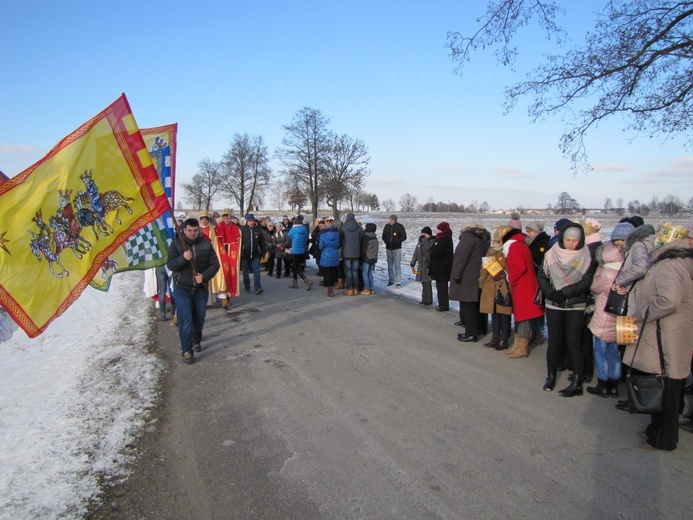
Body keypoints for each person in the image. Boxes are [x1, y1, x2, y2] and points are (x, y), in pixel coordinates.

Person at [624, 233, 693, 451]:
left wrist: (643, 314)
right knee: (672, 385)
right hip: (674, 333)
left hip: (665, 333)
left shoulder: (668, 266)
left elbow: (669, 300)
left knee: (666, 385)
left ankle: (663, 438)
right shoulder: (679, 263)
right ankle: (659, 433)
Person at [538, 222, 597, 395]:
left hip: (575, 304)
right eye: (568, 240)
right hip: (554, 303)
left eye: (574, 240)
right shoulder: (551, 254)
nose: (571, 244)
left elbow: (586, 282)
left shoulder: (586, 256)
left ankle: (577, 381)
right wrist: (550, 293)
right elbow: (542, 276)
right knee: (555, 342)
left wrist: (564, 293)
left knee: (573, 343)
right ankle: (551, 374)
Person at [586, 222, 634, 397]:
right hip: (621, 313)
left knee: (600, 348)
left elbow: (595, 287)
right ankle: (614, 384)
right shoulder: (630, 267)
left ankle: (603, 382)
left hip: (604, 312)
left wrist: (598, 273)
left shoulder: (606, 271)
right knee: (614, 350)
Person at [167, 218, 220, 364]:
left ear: (199, 230)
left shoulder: (206, 244)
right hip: (182, 287)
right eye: (189, 230)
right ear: (184, 230)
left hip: (200, 288)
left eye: (195, 230)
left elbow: (215, 265)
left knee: (199, 317)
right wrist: (183, 258)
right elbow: (171, 265)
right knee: (185, 319)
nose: (192, 233)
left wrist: (204, 276)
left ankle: (196, 339)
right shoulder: (176, 244)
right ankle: (187, 350)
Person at [502, 227, 544, 358]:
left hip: (522, 286)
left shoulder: (514, 247)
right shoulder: (521, 245)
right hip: (526, 285)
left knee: (523, 317)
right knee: (522, 316)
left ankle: (521, 347)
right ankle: (517, 345)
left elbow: (520, 267)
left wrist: (510, 277)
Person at [451, 221, 490, 342]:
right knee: (477, 304)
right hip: (478, 275)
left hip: (467, 277)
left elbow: (461, 258)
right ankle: (480, 328)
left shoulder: (468, 238)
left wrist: (457, 275)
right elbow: (487, 257)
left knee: (468, 305)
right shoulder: (483, 239)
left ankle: (471, 333)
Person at [479, 226, 513, 350]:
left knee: (504, 313)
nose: (494, 243)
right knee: (493, 313)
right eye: (493, 241)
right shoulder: (490, 251)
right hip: (490, 285)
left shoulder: (506, 252)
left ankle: (504, 338)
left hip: (503, 286)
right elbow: (484, 268)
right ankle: (495, 336)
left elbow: (503, 270)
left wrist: (494, 268)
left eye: (497, 241)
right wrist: (481, 282)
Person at [525, 221, 550, 345]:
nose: (527, 232)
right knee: (532, 306)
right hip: (530, 279)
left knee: (538, 306)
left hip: (539, 278)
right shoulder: (528, 242)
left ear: (537, 231)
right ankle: (533, 331)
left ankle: (539, 332)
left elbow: (541, 261)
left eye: (530, 230)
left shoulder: (543, 243)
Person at [214, 209, 242, 308]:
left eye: (228, 217)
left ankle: (229, 295)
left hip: (232, 252)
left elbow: (237, 242)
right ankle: (223, 299)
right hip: (221, 253)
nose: (226, 219)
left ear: (231, 218)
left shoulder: (235, 228)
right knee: (222, 273)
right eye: (225, 217)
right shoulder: (218, 227)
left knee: (232, 273)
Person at [429, 222, 454, 312]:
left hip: (442, 267)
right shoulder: (442, 238)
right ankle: (442, 304)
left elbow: (438, 252)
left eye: (439, 229)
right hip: (440, 266)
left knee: (442, 287)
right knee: (440, 286)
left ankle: (443, 305)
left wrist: (431, 253)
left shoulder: (445, 239)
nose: (438, 231)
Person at [240, 213, 266, 295]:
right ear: (247, 221)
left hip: (255, 255)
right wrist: (240, 253)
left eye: (252, 221)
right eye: (249, 221)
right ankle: (247, 286)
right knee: (245, 273)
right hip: (245, 255)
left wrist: (264, 252)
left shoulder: (258, 230)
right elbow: (239, 243)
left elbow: (262, 242)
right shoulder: (242, 230)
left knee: (257, 272)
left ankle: (257, 287)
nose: (251, 222)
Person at [339, 212, 363, 295]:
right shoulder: (359, 228)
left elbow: (340, 240)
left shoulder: (343, 228)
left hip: (346, 253)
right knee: (355, 271)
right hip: (356, 253)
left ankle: (350, 289)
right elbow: (361, 239)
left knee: (348, 271)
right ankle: (356, 289)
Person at [286, 214, 313, 290]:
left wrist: (293, 227)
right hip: (301, 250)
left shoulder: (294, 229)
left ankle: (307, 281)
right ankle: (295, 283)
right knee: (294, 267)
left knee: (297, 268)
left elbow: (289, 234)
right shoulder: (304, 229)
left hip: (295, 251)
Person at [410, 227, 435, 305]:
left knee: (427, 282)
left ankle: (428, 300)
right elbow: (416, 252)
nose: (423, 235)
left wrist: (423, 240)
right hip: (421, 265)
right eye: (422, 234)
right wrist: (413, 262)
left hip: (428, 265)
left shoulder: (432, 241)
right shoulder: (421, 241)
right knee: (423, 282)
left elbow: (426, 249)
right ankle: (424, 298)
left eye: (425, 234)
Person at [382, 214, 407, 288]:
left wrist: (397, 241)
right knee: (390, 265)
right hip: (388, 248)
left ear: (395, 220)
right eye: (389, 220)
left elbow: (404, 237)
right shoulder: (386, 226)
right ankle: (391, 280)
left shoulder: (400, 226)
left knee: (397, 265)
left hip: (397, 249)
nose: (390, 221)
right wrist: (386, 241)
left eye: (391, 220)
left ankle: (398, 281)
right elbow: (383, 236)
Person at [319, 217, 340, 296]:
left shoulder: (323, 234)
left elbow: (321, 246)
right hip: (334, 254)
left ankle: (330, 290)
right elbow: (338, 244)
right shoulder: (337, 233)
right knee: (333, 271)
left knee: (327, 273)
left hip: (326, 254)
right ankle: (333, 285)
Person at [361, 223, 379, 294]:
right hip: (374, 258)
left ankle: (367, 288)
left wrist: (361, 258)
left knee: (365, 273)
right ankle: (371, 288)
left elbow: (363, 250)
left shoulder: (366, 238)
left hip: (367, 258)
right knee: (370, 273)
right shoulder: (375, 238)